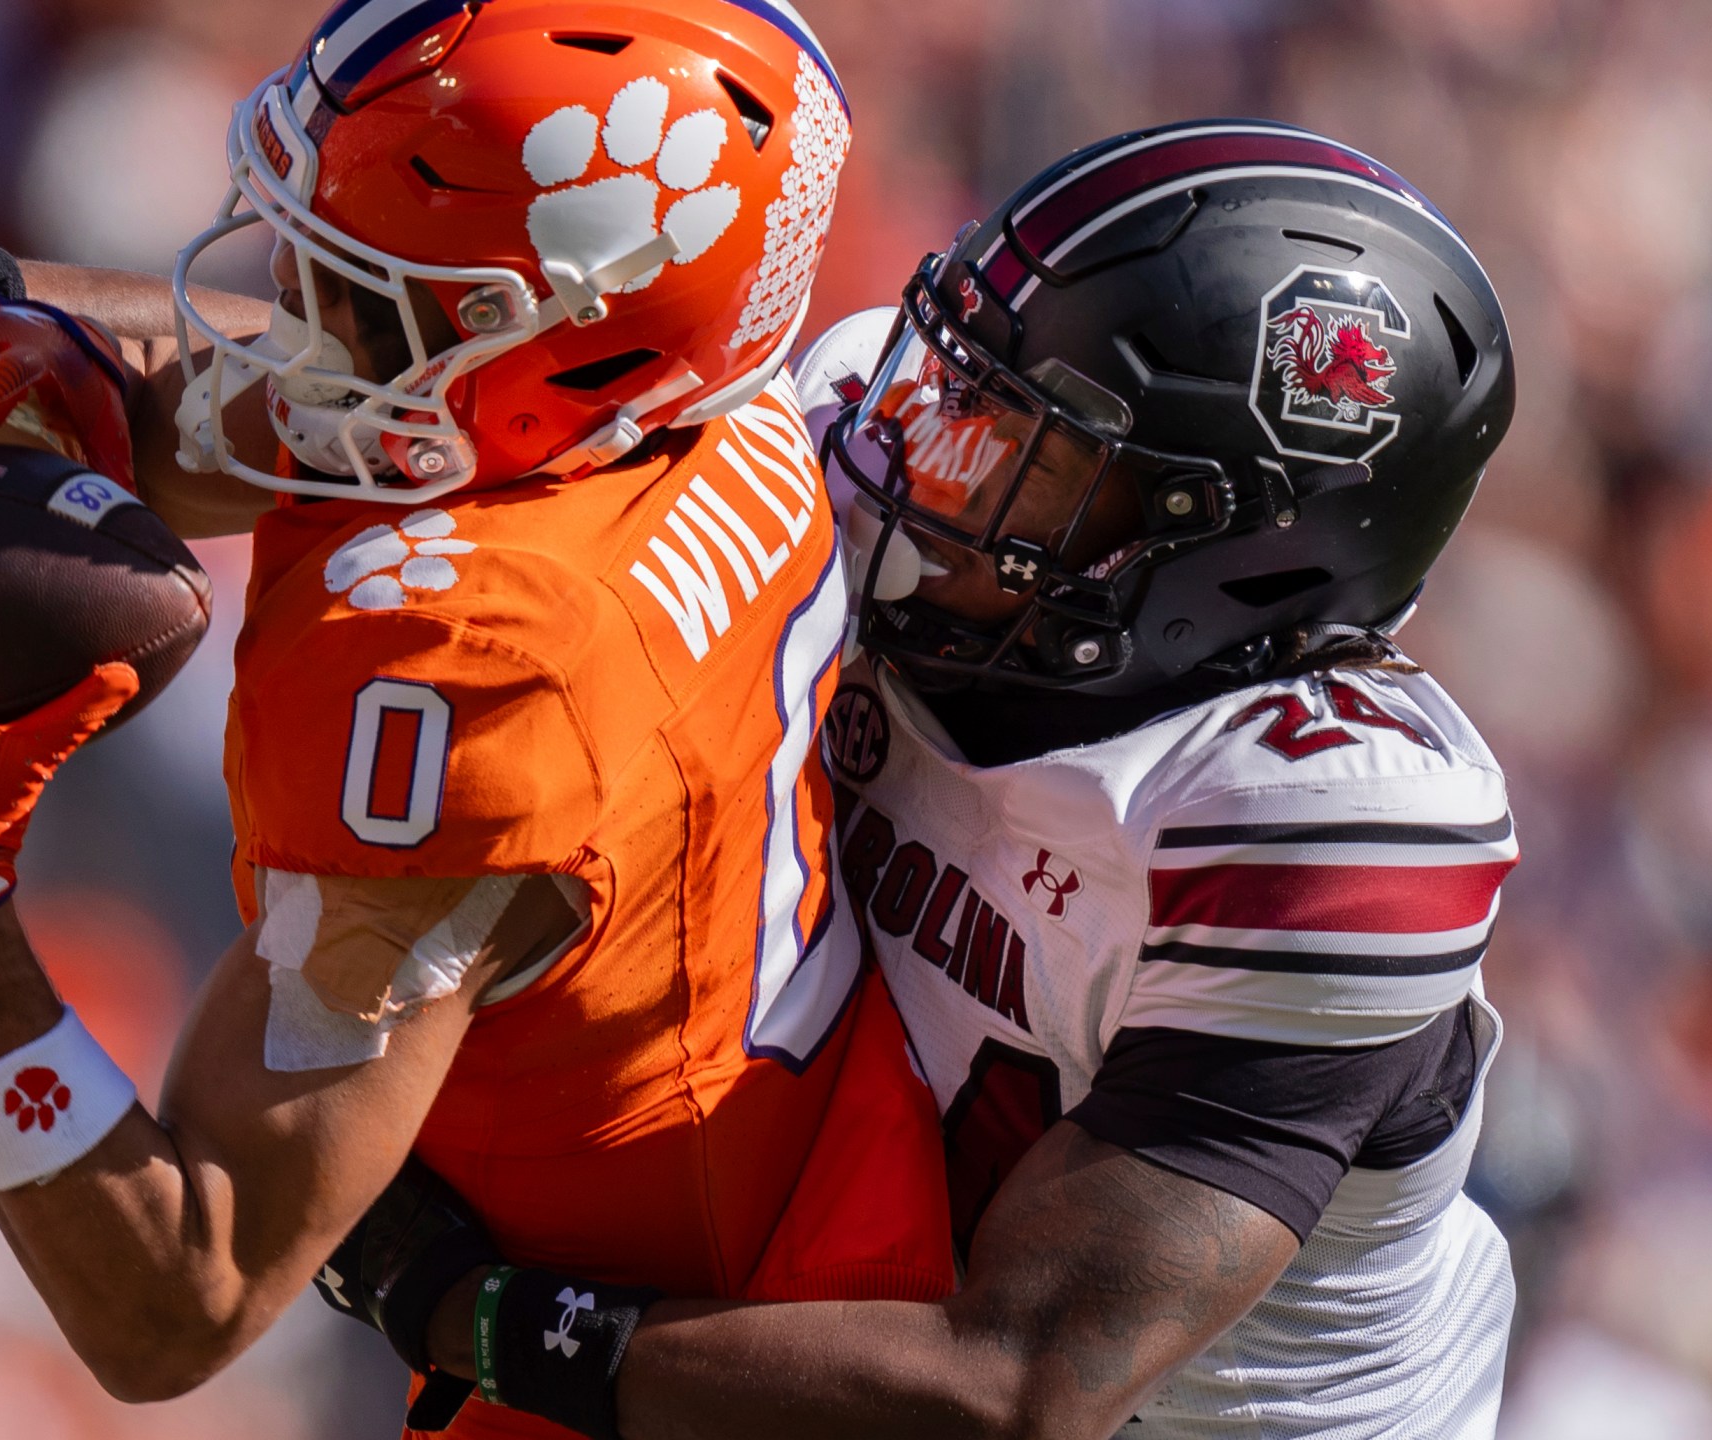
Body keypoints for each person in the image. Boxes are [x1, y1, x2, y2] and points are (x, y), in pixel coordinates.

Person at [0, 2, 955, 1433]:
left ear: (533, 327)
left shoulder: (473, 677)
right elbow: (304, 379)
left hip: (662, 1375)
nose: (286, 300)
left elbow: (183, 1295)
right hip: (796, 1193)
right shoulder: (676, 394)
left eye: (348, 279)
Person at [331, 119, 1525, 1440]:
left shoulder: (1318, 828)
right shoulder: (868, 438)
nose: (918, 456)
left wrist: (465, 1311)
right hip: (822, 1272)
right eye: (959, 384)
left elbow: (1008, 1387)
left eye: (1029, 448)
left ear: (1220, 556)